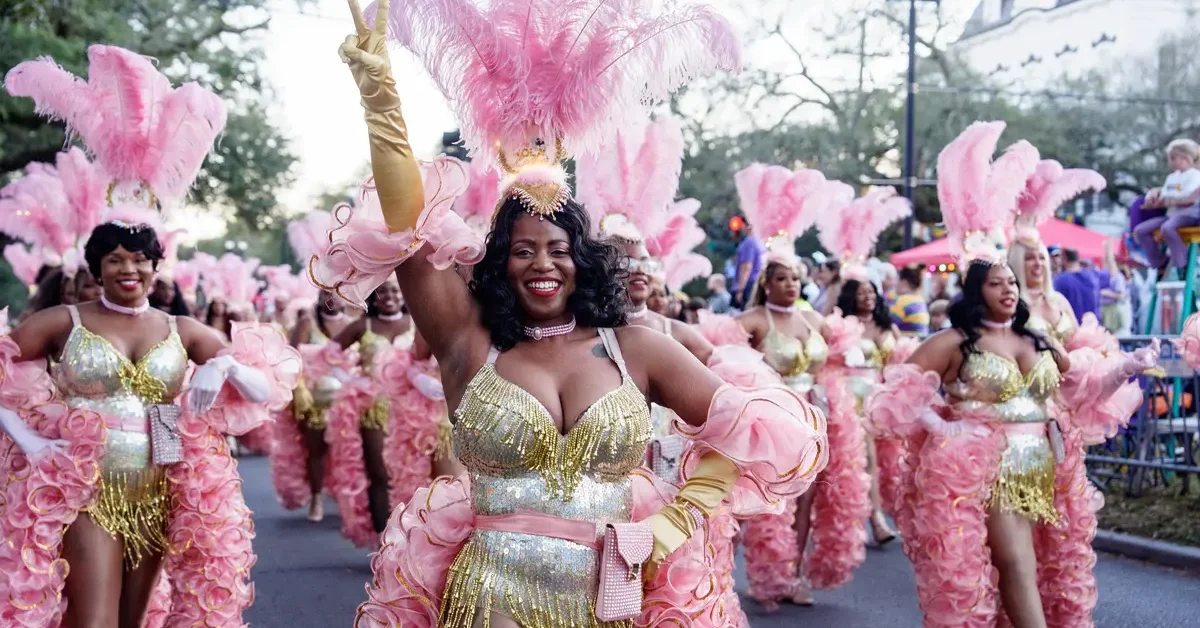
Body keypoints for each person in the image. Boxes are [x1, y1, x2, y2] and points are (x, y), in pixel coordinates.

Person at [318, 3, 829, 627]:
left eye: (558, 249)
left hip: (613, 591)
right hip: (494, 593)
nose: (542, 264)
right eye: (522, 250)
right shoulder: (468, 342)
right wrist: (380, 97)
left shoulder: (634, 348)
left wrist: (676, 519)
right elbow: (406, 230)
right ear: (497, 261)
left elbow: (752, 431)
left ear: (581, 259)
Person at [867, 120, 1155, 628]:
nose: (1009, 291)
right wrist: (944, 426)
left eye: (1011, 283)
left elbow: (1078, 389)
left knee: (1043, 566)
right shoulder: (952, 342)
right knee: (1016, 563)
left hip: (1044, 462)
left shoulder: (1037, 338)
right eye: (997, 284)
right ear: (975, 291)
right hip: (984, 469)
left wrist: (1126, 367)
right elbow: (893, 397)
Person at [326, 278, 413, 545]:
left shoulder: (417, 323)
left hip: (412, 409)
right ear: (374, 297)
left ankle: (410, 537)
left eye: (396, 291)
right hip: (374, 408)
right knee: (380, 474)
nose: (389, 296)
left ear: (404, 295)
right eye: (383, 291)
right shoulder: (362, 325)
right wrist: (349, 379)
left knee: (410, 474)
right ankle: (382, 539)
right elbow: (328, 355)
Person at [1133, 138, 1200, 273]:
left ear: (1185, 157)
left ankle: (1182, 263)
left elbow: (1189, 197)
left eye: (1173, 158)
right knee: (1141, 230)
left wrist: (1169, 199)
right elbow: (1164, 196)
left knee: (1168, 227)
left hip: (1188, 215)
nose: (1170, 162)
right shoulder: (1171, 178)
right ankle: (1159, 262)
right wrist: (1154, 201)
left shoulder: (1194, 175)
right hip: (1171, 215)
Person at [1052, 248, 1100, 323]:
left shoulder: (1059, 281)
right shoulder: (1093, 276)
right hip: (1094, 328)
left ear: (1064, 259)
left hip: (1073, 329)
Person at [889, 265, 930, 337]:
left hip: (907, 344)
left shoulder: (902, 301)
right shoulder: (920, 300)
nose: (895, 285)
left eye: (898, 281)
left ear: (904, 282)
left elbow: (888, 324)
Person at [733, 222, 765, 309]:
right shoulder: (761, 242)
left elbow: (746, 266)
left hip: (748, 285)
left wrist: (740, 290)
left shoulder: (749, 243)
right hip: (758, 283)